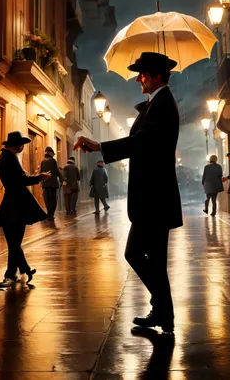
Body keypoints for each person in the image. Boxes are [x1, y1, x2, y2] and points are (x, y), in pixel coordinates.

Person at [75, 52, 182, 334]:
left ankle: (163, 310)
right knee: (155, 261)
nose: (138, 79)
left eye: (142, 74)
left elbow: (142, 142)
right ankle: (163, 315)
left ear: (156, 76)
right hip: (153, 197)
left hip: (153, 198)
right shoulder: (155, 104)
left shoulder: (162, 105)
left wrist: (100, 146)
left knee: (135, 253)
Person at [0, 131, 49, 289]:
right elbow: (21, 180)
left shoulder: (2, 157)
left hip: (10, 203)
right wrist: (39, 177)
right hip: (16, 204)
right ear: (16, 145)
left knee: (13, 241)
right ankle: (11, 274)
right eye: (22, 144)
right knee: (14, 241)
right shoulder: (10, 158)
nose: (23, 147)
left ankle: (23, 270)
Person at [40, 146, 63, 221]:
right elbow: (57, 171)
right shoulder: (53, 161)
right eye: (53, 153)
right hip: (52, 184)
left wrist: (41, 181)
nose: (53, 155)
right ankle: (50, 214)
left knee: (47, 199)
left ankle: (48, 213)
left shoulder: (42, 161)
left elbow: (41, 172)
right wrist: (62, 179)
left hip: (45, 184)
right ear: (50, 153)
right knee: (53, 199)